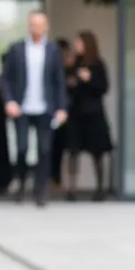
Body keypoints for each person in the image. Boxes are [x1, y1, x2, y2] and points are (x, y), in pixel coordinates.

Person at [0, 11, 68, 206]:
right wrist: (9, 101)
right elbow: (6, 78)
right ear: (29, 26)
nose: (36, 27)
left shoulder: (53, 50)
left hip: (45, 108)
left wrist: (62, 107)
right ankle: (21, 183)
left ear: (46, 26)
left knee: (45, 150)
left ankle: (41, 191)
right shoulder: (17, 49)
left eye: (40, 24)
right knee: (21, 148)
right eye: (33, 24)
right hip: (22, 108)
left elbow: (59, 81)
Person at [65, 29, 114, 201]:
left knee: (97, 152)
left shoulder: (98, 64)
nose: (76, 45)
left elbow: (104, 87)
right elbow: (66, 86)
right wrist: (71, 83)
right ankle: (71, 189)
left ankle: (100, 188)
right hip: (76, 113)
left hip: (93, 114)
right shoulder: (73, 64)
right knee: (73, 151)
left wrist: (89, 79)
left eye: (79, 42)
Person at [49, 37, 75, 192]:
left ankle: (62, 182)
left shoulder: (73, 69)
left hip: (71, 115)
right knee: (53, 147)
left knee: (67, 148)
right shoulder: (52, 69)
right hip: (53, 113)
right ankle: (53, 179)